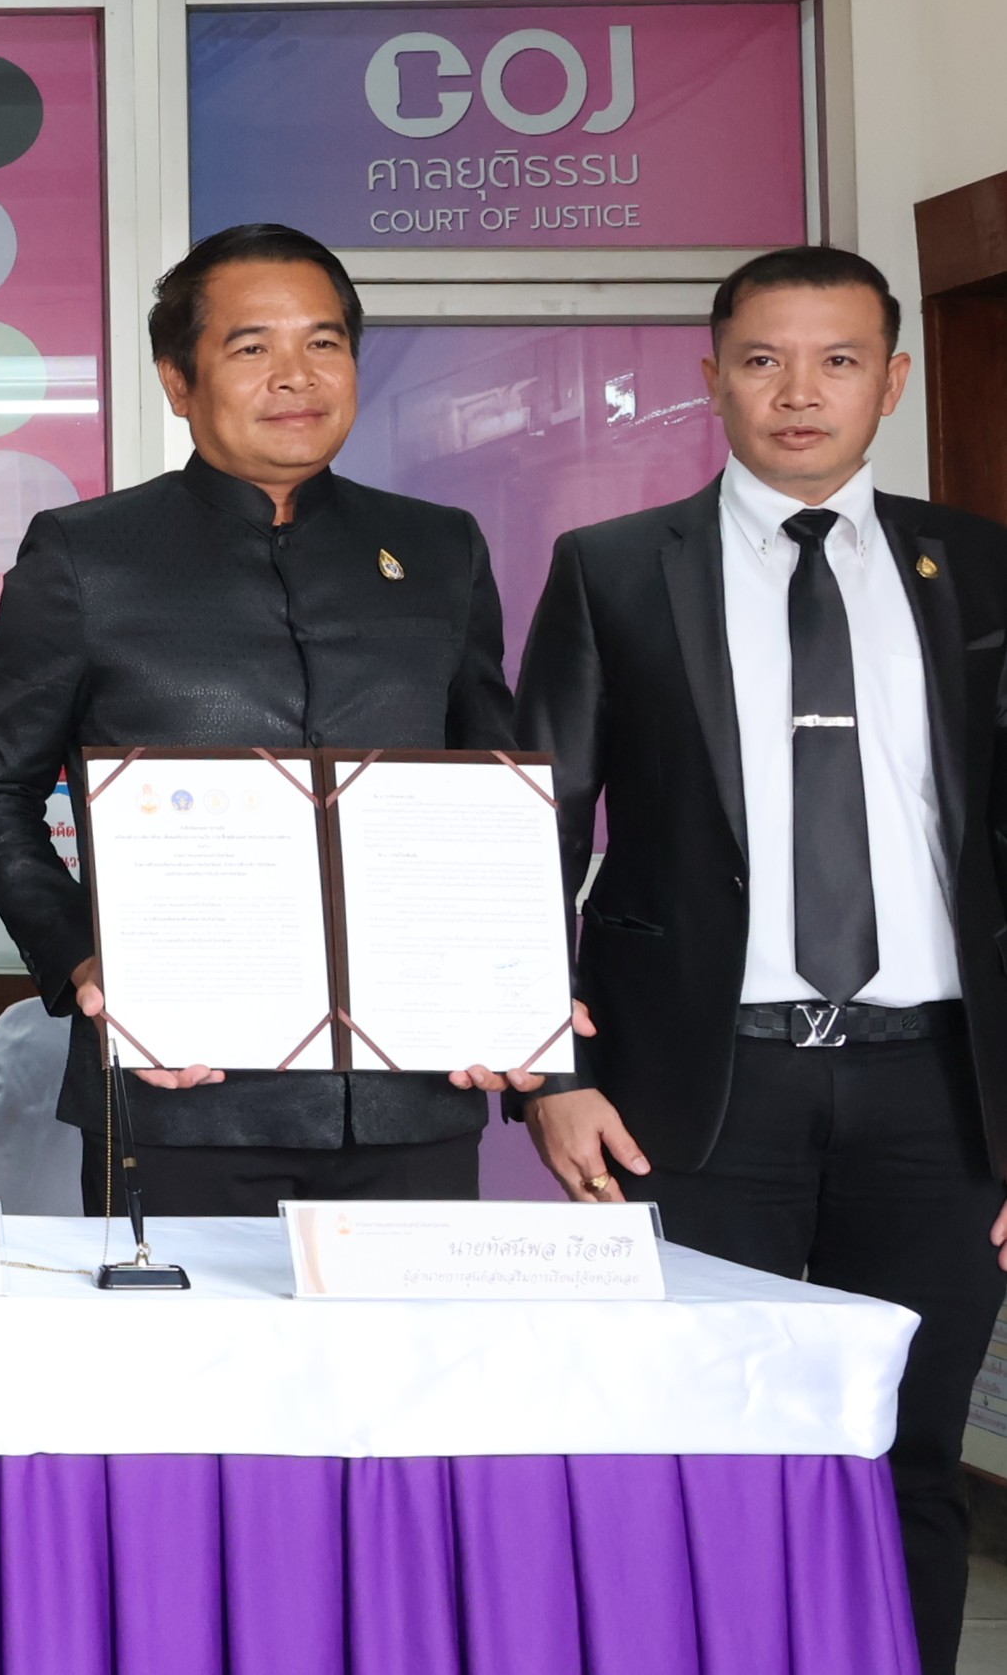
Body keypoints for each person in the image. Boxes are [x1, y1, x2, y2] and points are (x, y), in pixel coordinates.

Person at [516, 247, 1007, 1675]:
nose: (798, 391)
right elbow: (530, 829)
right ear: (710, 377)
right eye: (761, 359)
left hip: (938, 1096)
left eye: (836, 359)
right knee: (694, 1452)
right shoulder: (613, 567)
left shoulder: (978, 564)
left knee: (906, 1456)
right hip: (692, 1091)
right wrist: (550, 1067)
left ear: (889, 382)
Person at [0, 224, 536, 1216]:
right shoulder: (86, 556)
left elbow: (493, 796)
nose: (294, 375)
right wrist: (81, 957)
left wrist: (511, 985)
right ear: (177, 381)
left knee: (410, 1326)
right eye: (250, 345)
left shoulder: (439, 549)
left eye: (322, 342)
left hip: (409, 1093)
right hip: (179, 1090)